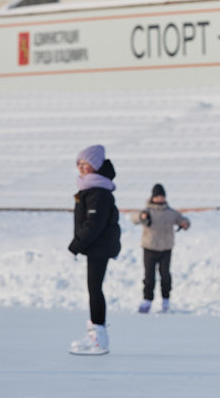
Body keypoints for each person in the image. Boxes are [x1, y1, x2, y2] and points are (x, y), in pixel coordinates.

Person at [67, 145, 121, 355]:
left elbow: (93, 224)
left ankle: (99, 338)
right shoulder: (91, 188)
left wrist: (75, 247)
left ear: (96, 165)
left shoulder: (98, 192)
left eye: (85, 163)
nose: (81, 167)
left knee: (95, 288)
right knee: (93, 288)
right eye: (78, 164)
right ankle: (95, 334)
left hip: (100, 246)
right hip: (97, 246)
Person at [131, 183, 190, 313]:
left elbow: (182, 219)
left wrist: (185, 223)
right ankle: (147, 300)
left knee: (165, 275)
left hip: (165, 249)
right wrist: (142, 217)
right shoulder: (147, 211)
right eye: (157, 196)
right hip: (149, 248)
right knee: (149, 276)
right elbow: (134, 218)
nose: (160, 199)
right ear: (153, 197)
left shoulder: (170, 212)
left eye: (162, 196)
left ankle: (166, 300)